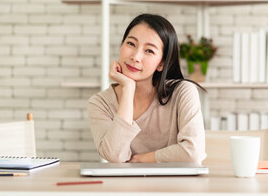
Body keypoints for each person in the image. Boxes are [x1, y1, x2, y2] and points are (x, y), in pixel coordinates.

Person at [88, 14, 206, 164]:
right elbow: (114, 156)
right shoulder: (100, 103)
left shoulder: (183, 92)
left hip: (176, 185)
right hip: (125, 186)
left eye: (149, 51)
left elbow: (193, 153)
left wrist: (140, 159)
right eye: (131, 44)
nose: (136, 57)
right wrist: (128, 89)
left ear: (161, 63)